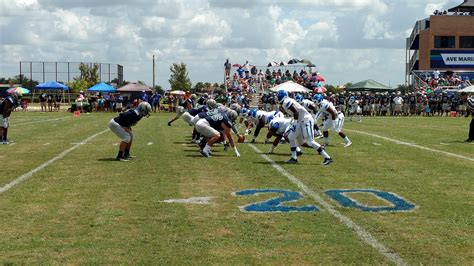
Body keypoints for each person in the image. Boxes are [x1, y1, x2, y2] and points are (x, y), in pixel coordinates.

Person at [277, 90, 333, 165]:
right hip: (300, 121)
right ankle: (294, 158)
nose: (277, 98)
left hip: (306, 120)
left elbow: (295, 112)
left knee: (310, 141)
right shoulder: (286, 101)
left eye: (278, 97)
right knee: (290, 137)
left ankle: (327, 158)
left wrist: (295, 123)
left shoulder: (286, 102)